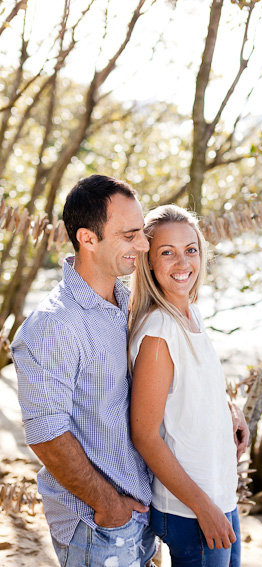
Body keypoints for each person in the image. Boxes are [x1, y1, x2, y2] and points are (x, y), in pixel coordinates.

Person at [12, 175, 158, 566]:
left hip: (141, 510)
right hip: (97, 525)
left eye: (142, 232)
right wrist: (110, 507)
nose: (143, 246)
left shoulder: (126, 302)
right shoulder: (53, 325)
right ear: (87, 239)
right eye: (129, 236)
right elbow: (45, 433)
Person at [128, 204, 241, 566]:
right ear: (147, 262)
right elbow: (144, 434)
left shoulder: (190, 313)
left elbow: (193, 390)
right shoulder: (159, 332)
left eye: (190, 250)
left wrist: (231, 413)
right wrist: (203, 508)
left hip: (220, 494)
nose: (183, 263)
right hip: (191, 509)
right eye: (167, 253)